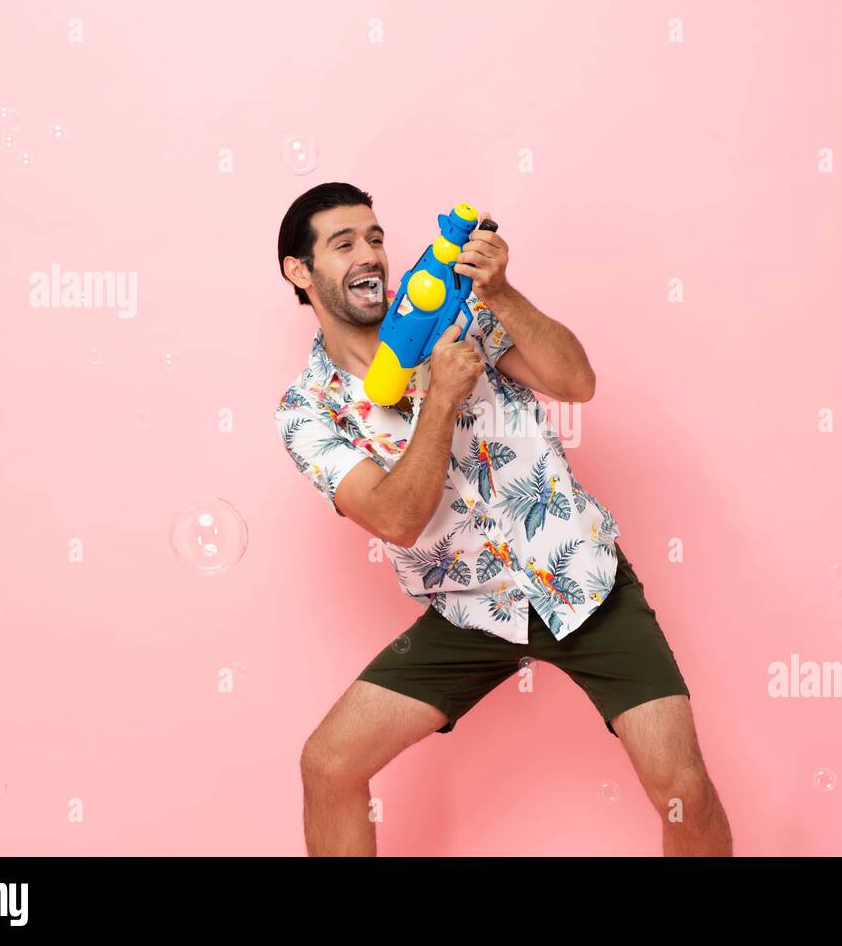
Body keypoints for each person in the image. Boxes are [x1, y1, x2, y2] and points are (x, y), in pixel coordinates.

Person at [274, 182, 731, 855]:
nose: (369, 254)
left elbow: (578, 381)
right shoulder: (308, 411)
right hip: (470, 612)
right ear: (300, 271)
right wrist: (443, 397)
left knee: (684, 789)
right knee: (329, 763)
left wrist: (503, 292)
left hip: (579, 576)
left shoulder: (461, 319)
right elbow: (396, 520)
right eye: (343, 244)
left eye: (375, 238)